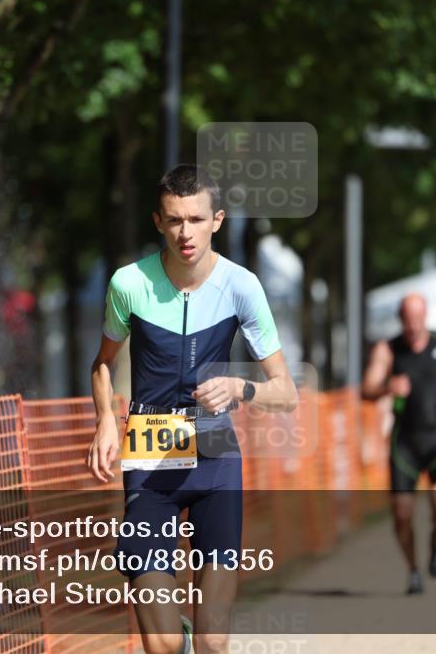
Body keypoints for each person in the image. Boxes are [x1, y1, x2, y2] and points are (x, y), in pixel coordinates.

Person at [86, 164, 297, 654]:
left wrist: (239, 389)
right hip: (149, 463)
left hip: (216, 460)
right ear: (158, 222)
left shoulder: (242, 286)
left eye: (197, 220)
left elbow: (285, 391)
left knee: (213, 643)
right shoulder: (128, 284)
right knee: (161, 647)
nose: (186, 232)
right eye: (175, 220)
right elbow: (102, 364)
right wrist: (104, 422)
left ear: (217, 220)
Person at [362, 293, 436, 595]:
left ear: (426, 316)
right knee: (401, 512)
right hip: (405, 442)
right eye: (408, 320)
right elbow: (366, 388)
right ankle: (413, 570)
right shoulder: (388, 349)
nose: (413, 326)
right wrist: (388, 387)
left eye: (418, 318)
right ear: (401, 319)